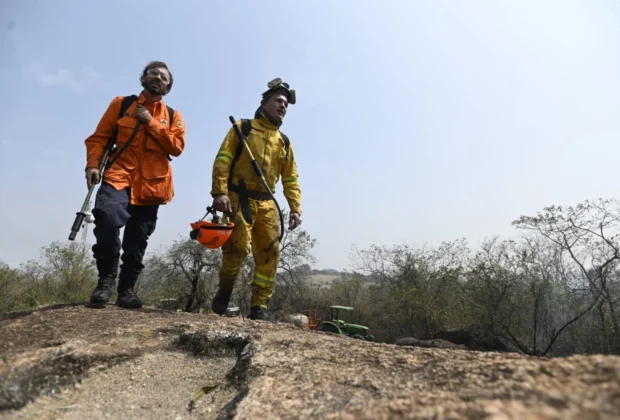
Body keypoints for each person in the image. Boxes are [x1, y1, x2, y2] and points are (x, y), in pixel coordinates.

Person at [84, 61, 186, 309]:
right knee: (106, 217)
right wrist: (93, 165)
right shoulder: (122, 104)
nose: (157, 78)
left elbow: (177, 147)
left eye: (163, 77)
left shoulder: (172, 116)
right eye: (153, 73)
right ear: (143, 78)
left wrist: (151, 122)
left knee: (137, 240)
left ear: (168, 88)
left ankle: (126, 290)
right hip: (119, 174)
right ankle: (106, 280)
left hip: (152, 185)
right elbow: (99, 138)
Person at [209, 78, 303, 320]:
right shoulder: (243, 127)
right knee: (237, 248)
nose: (283, 106)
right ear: (264, 103)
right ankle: (225, 290)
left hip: (268, 204)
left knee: (270, 254)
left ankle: (258, 307)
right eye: (278, 101)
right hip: (239, 198)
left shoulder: (284, 141)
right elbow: (223, 159)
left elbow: (290, 178)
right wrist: (219, 192)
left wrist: (295, 208)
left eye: (286, 103)